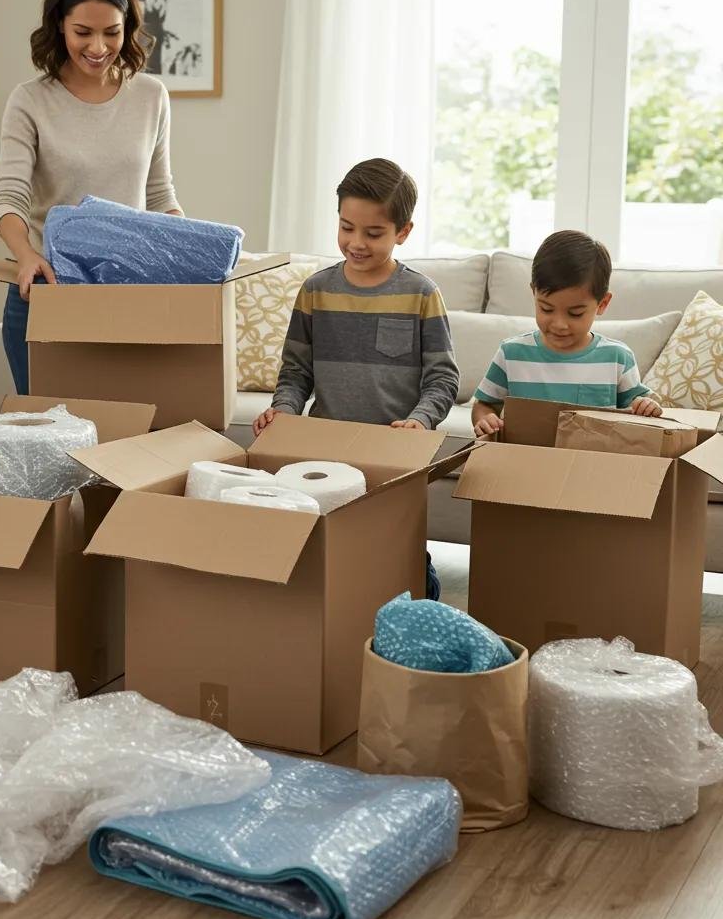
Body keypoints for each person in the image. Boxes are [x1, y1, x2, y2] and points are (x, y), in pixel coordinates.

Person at [252, 158, 459, 599]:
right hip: (324, 450)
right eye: (347, 228)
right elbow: (296, 371)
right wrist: (283, 411)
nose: (356, 243)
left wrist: (420, 420)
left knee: (399, 564)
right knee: (328, 561)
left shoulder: (421, 294)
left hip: (393, 452)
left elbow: (442, 379)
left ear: (403, 232)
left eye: (374, 233)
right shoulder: (315, 290)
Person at [0, 0, 182, 395]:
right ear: (60, 25)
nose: (98, 47)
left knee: (126, 427)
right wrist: (25, 254)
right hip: (47, 289)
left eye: (112, 32)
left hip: (127, 293)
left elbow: (159, 194)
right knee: (53, 431)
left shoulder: (150, 96)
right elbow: (10, 196)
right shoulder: (30, 101)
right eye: (83, 32)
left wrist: (184, 251)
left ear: (127, 27)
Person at [472, 229, 662, 437]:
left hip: (591, 456)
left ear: (602, 304)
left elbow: (638, 408)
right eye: (546, 309)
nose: (560, 324)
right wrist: (485, 419)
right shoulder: (511, 353)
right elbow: (484, 405)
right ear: (533, 293)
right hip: (525, 454)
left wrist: (646, 406)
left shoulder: (617, 357)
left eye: (575, 313)